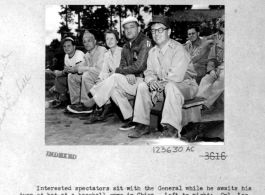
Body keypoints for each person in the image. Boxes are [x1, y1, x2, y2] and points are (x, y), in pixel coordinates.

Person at [67, 16, 152, 129]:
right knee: (113, 89)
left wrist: (123, 72)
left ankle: (92, 102)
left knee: (115, 76)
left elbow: (139, 66)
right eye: (126, 28)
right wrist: (126, 72)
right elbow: (122, 66)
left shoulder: (145, 42)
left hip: (145, 82)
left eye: (131, 27)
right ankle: (130, 118)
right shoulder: (127, 46)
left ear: (139, 28)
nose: (128, 30)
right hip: (130, 81)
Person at [128, 15, 198, 138]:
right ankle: (142, 124)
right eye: (154, 30)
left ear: (169, 32)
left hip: (185, 86)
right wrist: (151, 81)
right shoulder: (152, 52)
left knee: (170, 86)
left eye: (160, 30)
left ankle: (171, 129)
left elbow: (175, 78)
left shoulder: (178, 49)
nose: (156, 33)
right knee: (142, 86)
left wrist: (157, 86)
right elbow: (149, 72)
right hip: (164, 86)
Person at [81, 30, 123, 123]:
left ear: (117, 41)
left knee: (111, 77)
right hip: (113, 79)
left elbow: (121, 69)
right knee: (101, 80)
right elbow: (103, 72)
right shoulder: (107, 54)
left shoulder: (122, 51)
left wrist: (106, 77)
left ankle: (95, 101)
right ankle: (101, 108)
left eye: (112, 38)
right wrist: (99, 80)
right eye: (107, 39)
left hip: (122, 79)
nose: (110, 41)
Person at [66, 30, 107, 111]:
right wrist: (73, 68)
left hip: (104, 79)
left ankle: (87, 105)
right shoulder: (87, 54)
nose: (87, 43)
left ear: (95, 41)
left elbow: (99, 70)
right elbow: (82, 65)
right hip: (94, 78)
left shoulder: (102, 50)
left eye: (89, 41)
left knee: (86, 75)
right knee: (71, 76)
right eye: (84, 42)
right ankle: (76, 104)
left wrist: (79, 69)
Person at [196, 15, 225, 110]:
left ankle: (206, 104)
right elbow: (211, 58)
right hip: (219, 67)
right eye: (223, 25)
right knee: (206, 79)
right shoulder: (218, 41)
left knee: (222, 78)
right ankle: (198, 104)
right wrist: (211, 70)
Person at [52, 37, 85, 108]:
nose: (66, 48)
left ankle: (76, 104)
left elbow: (78, 68)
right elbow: (67, 70)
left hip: (83, 78)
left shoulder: (79, 53)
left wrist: (62, 72)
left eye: (69, 46)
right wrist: (60, 73)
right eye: (64, 46)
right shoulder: (66, 56)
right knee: (59, 78)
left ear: (74, 46)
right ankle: (64, 101)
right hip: (73, 77)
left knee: (70, 75)